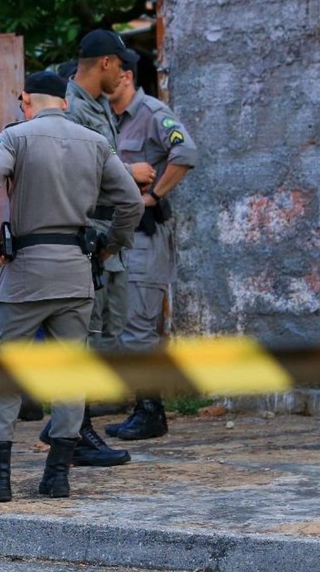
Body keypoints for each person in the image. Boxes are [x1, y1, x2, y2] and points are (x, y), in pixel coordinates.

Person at [0, 71, 143, 501]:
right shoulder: (95, 141)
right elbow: (132, 203)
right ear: (64, 102)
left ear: (26, 100)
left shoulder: (15, 137)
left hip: (26, 274)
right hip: (76, 273)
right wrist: (109, 247)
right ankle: (57, 477)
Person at [37, 29, 154, 468]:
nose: (125, 72)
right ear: (104, 63)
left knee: (104, 334)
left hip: (107, 241)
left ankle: (65, 423)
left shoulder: (99, 105)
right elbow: (74, 170)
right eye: (120, 64)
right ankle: (75, 431)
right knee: (80, 338)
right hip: (84, 239)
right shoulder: (67, 107)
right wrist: (129, 173)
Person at [105, 50, 198, 440]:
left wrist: (154, 195)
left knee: (139, 328)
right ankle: (138, 403)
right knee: (124, 325)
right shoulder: (107, 119)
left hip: (146, 234)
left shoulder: (153, 113)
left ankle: (151, 411)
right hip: (123, 238)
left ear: (126, 76)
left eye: (107, 67)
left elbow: (186, 153)